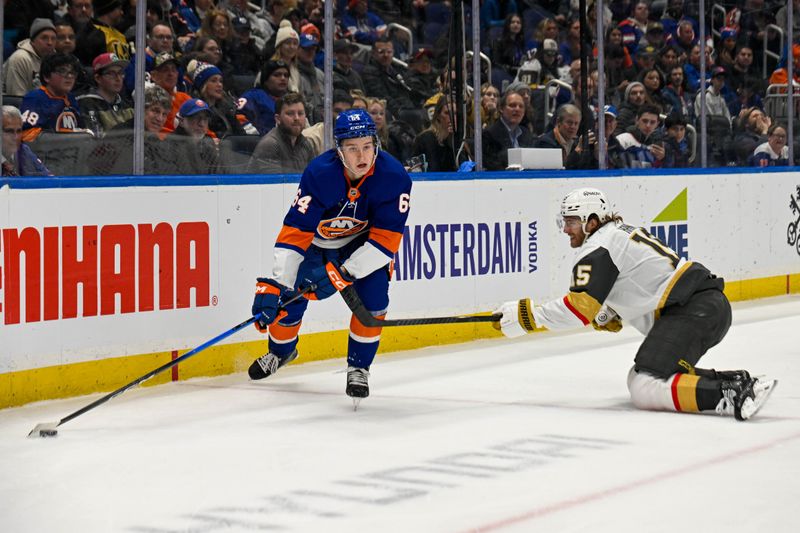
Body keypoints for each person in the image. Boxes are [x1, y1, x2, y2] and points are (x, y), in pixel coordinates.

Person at [493, 187, 777, 421]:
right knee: (640, 378)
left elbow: (579, 309)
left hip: (693, 309)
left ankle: (731, 393)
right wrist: (608, 312)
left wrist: (527, 317)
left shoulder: (599, 247)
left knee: (645, 384)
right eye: (564, 221)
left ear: (591, 221)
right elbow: (634, 285)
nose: (566, 229)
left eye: (571, 221)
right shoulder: (614, 235)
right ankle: (734, 380)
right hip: (701, 306)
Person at [247, 109, 412, 404]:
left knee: (374, 303)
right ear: (339, 150)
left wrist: (345, 272)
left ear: (376, 144)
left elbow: (386, 241)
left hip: (364, 247)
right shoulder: (319, 173)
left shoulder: (394, 177)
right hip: (318, 244)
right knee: (287, 302)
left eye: (367, 146)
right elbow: (295, 232)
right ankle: (280, 353)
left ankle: (359, 367)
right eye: (352, 148)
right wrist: (277, 283)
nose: (361, 155)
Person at [20, 53, 86, 143]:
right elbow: (27, 135)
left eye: (72, 72)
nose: (70, 76)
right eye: (62, 71)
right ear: (46, 76)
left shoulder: (71, 98)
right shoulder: (35, 98)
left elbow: (81, 128)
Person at [248, 91, 315, 173]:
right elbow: (276, 184)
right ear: (278, 119)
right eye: (290, 114)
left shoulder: (305, 143)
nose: (297, 118)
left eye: (300, 113)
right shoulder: (270, 144)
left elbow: (314, 176)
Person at [78, 52, 134, 137]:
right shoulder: (87, 104)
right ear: (98, 78)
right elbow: (96, 139)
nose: (118, 78)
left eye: (120, 73)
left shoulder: (128, 105)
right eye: (111, 74)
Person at [481, 91, 536, 171]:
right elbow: (492, 166)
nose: (517, 109)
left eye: (521, 106)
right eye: (512, 105)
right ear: (501, 108)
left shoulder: (526, 134)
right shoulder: (489, 134)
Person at [3, 18, 57, 97]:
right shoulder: (20, 58)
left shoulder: (55, 59)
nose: (50, 42)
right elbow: (17, 98)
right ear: (32, 41)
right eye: (44, 38)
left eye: (53, 38)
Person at [237, 59, 290, 135]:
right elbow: (239, 116)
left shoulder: (292, 99)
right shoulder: (251, 97)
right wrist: (256, 136)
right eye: (277, 75)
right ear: (266, 79)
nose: (283, 78)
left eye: (286, 75)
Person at [171, 98, 220, 174]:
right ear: (181, 121)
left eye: (205, 119)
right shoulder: (169, 144)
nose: (202, 124)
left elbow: (218, 174)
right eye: (196, 118)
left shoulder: (208, 143)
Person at [411, 96, 456, 172]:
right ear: (438, 115)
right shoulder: (425, 139)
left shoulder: (457, 139)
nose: (451, 117)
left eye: (454, 113)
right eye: (447, 113)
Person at [1, 106, 50, 176]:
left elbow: (48, 179)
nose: (16, 137)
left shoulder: (23, 150)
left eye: (19, 131)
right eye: (9, 131)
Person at [616, 104, 666, 168]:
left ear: (657, 124)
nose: (648, 125)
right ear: (637, 120)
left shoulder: (657, 145)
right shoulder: (623, 139)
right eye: (645, 121)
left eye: (652, 122)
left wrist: (661, 160)